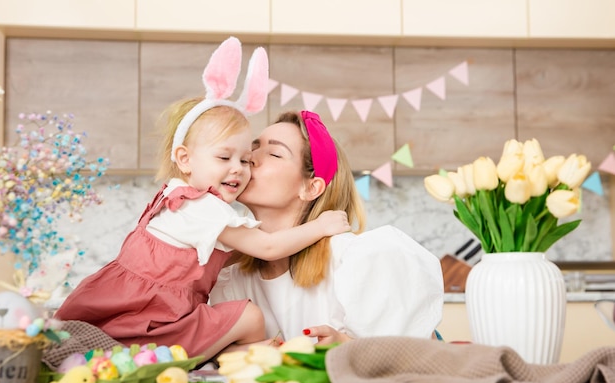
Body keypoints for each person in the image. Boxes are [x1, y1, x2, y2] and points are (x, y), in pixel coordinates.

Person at [54, 38, 350, 362]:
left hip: (145, 309)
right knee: (250, 317)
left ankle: (233, 354)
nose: (240, 169)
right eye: (224, 157)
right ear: (185, 158)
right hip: (156, 315)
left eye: (245, 159)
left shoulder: (179, 197)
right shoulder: (201, 206)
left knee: (243, 318)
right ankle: (235, 355)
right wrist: (320, 225)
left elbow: (231, 252)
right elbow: (265, 247)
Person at [210, 110, 445, 345]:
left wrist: (344, 344)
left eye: (274, 153)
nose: (249, 159)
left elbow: (414, 354)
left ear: (311, 188)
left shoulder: (359, 259)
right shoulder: (231, 275)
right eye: (253, 148)